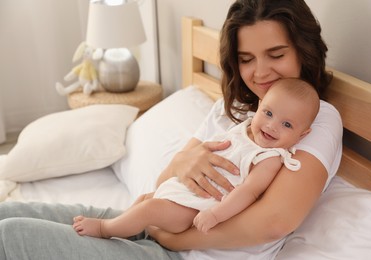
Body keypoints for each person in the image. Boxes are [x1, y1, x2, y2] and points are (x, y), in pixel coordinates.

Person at [0, 0, 342, 259]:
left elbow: (275, 222)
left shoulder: (315, 120)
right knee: (7, 215)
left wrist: (175, 239)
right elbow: (165, 180)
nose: (259, 72)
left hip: (179, 251)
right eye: (246, 58)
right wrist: (182, 166)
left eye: (276, 54)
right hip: (151, 217)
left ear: (303, 50)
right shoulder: (233, 109)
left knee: (10, 236)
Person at [72, 78, 320, 238]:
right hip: (180, 191)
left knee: (148, 208)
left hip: (193, 209)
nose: (272, 126)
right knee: (145, 199)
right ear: (260, 105)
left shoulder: (269, 158)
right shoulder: (244, 127)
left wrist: (215, 215)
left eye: (287, 124)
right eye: (268, 113)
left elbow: (249, 192)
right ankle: (124, 228)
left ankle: (106, 230)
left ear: (302, 135)